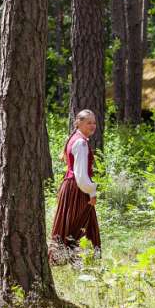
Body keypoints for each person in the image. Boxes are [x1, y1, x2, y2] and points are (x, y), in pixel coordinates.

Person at [50, 109, 101, 265]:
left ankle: (67, 260)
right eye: (88, 123)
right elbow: (80, 174)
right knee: (81, 227)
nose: (92, 126)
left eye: (94, 122)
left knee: (71, 225)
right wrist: (92, 191)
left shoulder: (75, 138)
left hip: (71, 187)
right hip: (77, 189)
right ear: (78, 123)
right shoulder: (80, 142)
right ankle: (81, 263)